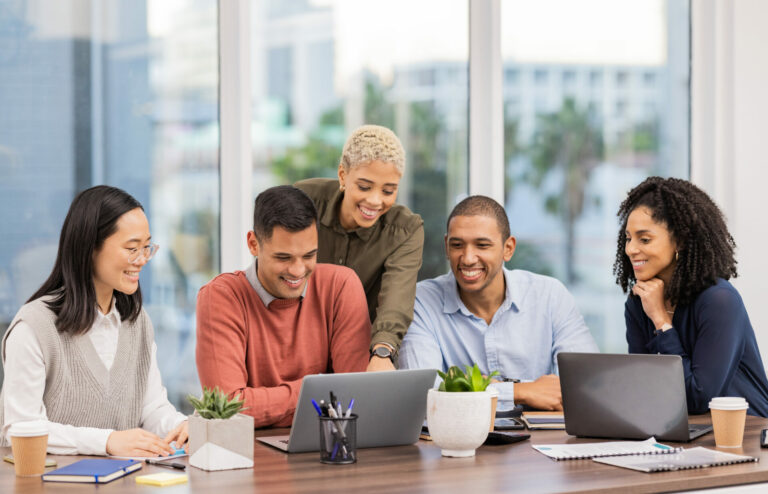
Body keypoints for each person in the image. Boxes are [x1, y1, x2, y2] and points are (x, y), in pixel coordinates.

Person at [0, 186, 187, 457]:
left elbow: (152, 408)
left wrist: (180, 425)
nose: (143, 259)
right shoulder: (34, 327)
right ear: (89, 248)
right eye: (132, 248)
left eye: (147, 247)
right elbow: (21, 427)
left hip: (127, 481)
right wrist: (107, 441)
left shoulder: (138, 322)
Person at [399, 196, 597, 410]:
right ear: (447, 247)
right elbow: (423, 393)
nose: (467, 258)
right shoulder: (421, 301)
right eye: (457, 245)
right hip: (460, 440)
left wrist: (473, 389)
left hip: (543, 439)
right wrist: (521, 392)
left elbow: (586, 384)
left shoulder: (550, 296)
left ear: (508, 248)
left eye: (482, 245)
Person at [195, 186, 370, 428]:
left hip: (328, 448)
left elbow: (355, 397)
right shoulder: (221, 297)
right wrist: (321, 388)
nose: (298, 271)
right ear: (253, 244)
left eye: (309, 256)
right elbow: (227, 410)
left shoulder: (341, 286)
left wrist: (263, 407)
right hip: (250, 456)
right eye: (283, 258)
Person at [615, 177, 768, 416]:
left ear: (681, 241)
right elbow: (641, 388)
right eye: (628, 238)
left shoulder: (720, 301)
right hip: (679, 436)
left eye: (644, 239)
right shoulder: (638, 303)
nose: (631, 249)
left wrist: (661, 323)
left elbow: (698, 398)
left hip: (744, 436)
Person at [295, 125, 424, 372]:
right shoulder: (304, 199)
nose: (375, 201)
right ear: (343, 175)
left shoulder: (406, 230)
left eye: (389, 190)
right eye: (364, 187)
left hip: (360, 353)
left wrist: (383, 352)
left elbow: (396, 299)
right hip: (298, 342)